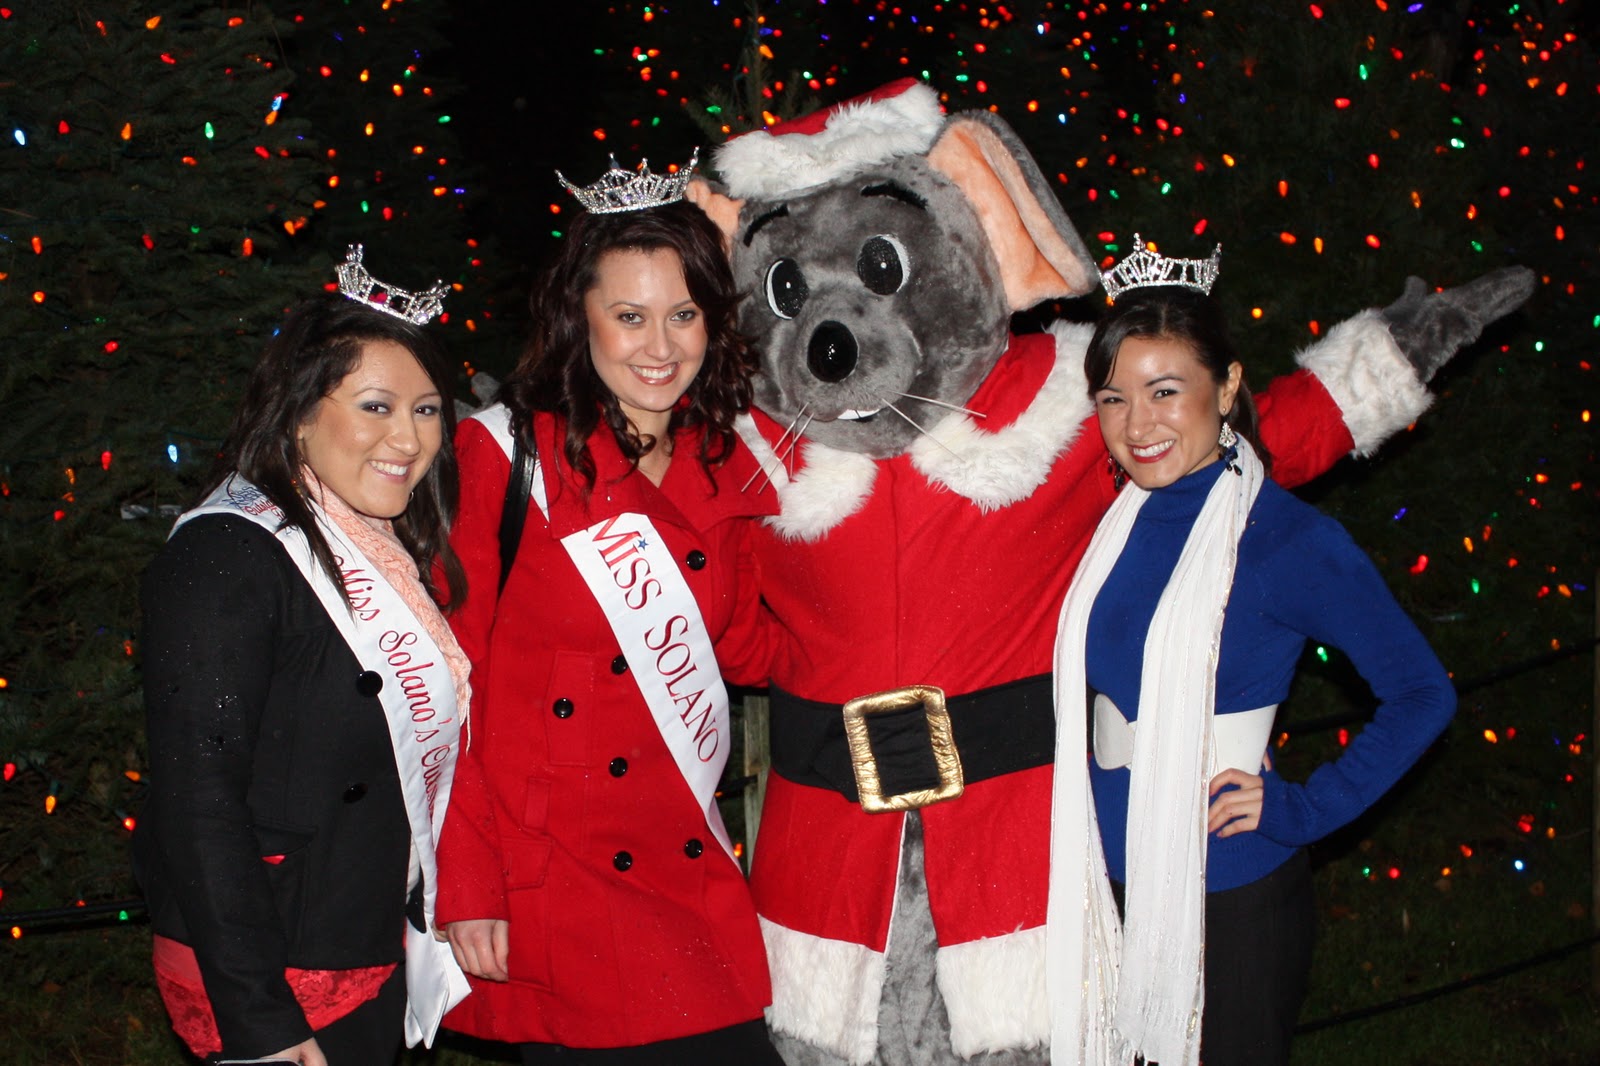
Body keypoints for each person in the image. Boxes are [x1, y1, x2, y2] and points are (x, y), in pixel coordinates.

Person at [1046, 242, 1457, 1066]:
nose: (1137, 425)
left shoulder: (1284, 540)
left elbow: (1423, 693)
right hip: (1102, 886)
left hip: (1228, 896)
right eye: (1114, 398)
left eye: (1166, 391)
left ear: (1228, 386)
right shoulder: (1110, 526)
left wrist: (1303, 809)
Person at [434, 156, 784, 1064]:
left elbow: (752, 652)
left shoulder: (730, 462)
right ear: (577, 315)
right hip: (555, 872)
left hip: (684, 862)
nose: (659, 347)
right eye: (629, 316)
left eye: (684, 315)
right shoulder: (506, 455)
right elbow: (445, 683)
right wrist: (466, 883)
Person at [135, 253, 472, 1066]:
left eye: (427, 409)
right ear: (297, 412)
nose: (409, 439)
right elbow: (197, 801)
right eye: (375, 406)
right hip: (274, 969)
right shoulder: (228, 552)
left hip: (365, 937)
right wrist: (262, 1024)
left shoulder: (382, 543)